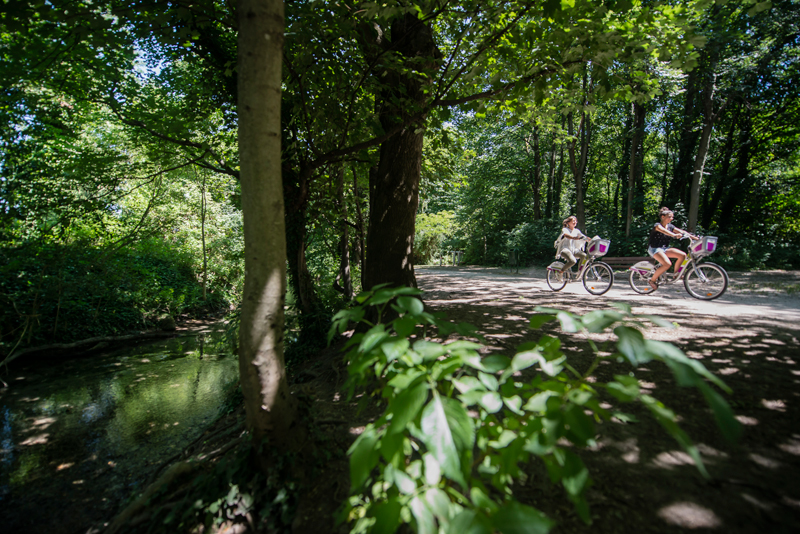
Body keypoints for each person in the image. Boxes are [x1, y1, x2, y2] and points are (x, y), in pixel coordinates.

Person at [647, 207, 698, 291]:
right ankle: (652, 280)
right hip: (655, 249)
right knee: (667, 264)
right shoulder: (657, 225)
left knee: (682, 255)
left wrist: (695, 238)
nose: (671, 219)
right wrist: (673, 235)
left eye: (672, 217)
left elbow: (682, 231)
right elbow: (664, 231)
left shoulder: (670, 226)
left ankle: (676, 274)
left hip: (664, 249)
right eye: (669, 217)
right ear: (663, 217)